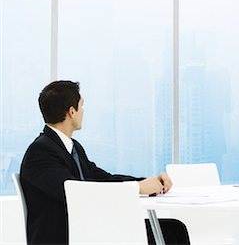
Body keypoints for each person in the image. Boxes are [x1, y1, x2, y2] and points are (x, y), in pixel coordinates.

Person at [20, 80, 190, 245]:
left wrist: (146, 182)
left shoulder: (72, 147)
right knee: (168, 233)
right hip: (66, 235)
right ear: (72, 111)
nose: (83, 112)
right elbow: (75, 191)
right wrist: (138, 188)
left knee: (173, 229)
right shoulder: (40, 152)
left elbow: (102, 178)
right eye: (82, 106)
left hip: (85, 226)